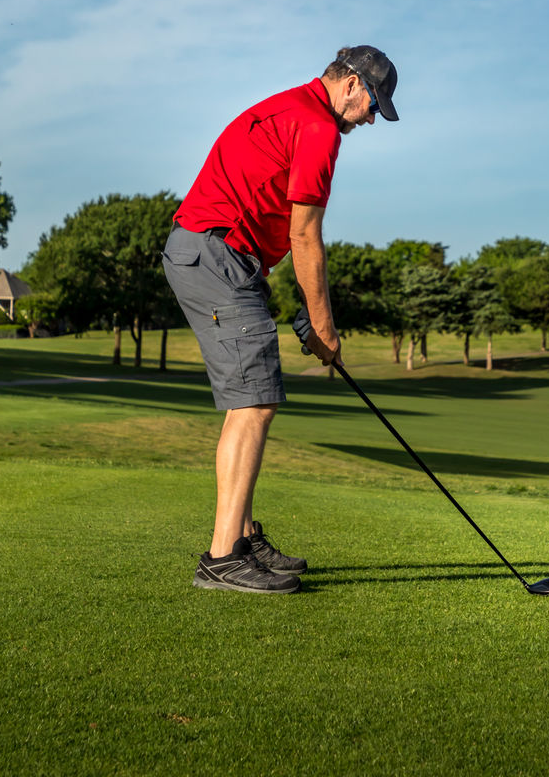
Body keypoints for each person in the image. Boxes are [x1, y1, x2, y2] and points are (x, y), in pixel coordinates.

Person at [163, 45, 399, 594]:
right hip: (216, 255)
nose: (370, 119)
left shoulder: (289, 106)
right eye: (372, 105)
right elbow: (304, 238)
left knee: (248, 398)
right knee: (255, 401)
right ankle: (223, 559)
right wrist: (325, 329)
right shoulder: (319, 128)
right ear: (351, 87)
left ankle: (240, 538)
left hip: (212, 254)